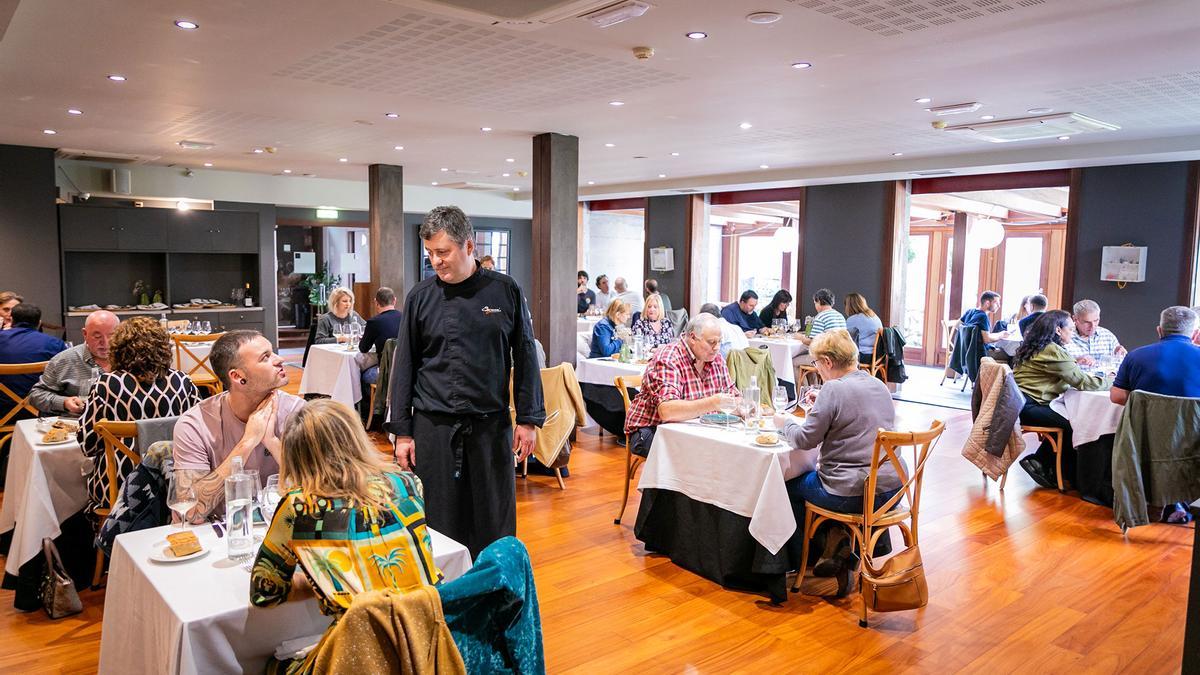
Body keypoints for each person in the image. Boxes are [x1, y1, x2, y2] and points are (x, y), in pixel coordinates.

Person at [386, 206, 545, 558]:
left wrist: (530, 420)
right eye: (430, 253)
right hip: (435, 427)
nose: (435, 261)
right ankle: (446, 598)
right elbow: (405, 367)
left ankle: (496, 591)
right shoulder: (420, 297)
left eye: (442, 252)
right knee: (440, 522)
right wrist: (403, 432)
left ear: (469, 247)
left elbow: (526, 355)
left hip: (491, 425)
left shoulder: (505, 291)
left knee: (495, 521)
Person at [250, 399, 446, 674]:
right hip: (425, 649)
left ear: (297, 456)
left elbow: (264, 592)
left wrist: (317, 579)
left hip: (356, 658)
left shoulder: (299, 508)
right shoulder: (408, 483)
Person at [774, 329, 899, 596]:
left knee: (787, 484)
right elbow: (858, 415)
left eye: (817, 363)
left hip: (851, 493)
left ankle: (802, 562)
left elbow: (805, 440)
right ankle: (836, 545)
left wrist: (784, 424)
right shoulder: (878, 383)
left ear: (828, 362)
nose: (817, 369)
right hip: (891, 490)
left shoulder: (833, 389)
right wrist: (823, 403)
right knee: (820, 481)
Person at [172, 330, 304, 521]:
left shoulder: (298, 412)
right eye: (265, 357)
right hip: (218, 535)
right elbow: (190, 513)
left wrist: (272, 442)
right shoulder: (195, 424)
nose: (279, 360)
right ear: (237, 376)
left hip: (283, 529)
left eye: (273, 352)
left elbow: (321, 494)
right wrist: (248, 442)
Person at [81, 317, 199, 521]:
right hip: (176, 484)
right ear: (163, 347)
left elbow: (88, 445)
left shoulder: (106, 385)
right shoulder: (183, 381)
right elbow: (200, 433)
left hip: (119, 487)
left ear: (118, 348)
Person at [1011, 310, 1106, 489]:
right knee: (1077, 423)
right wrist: (1114, 379)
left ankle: (1044, 464)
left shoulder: (1039, 345)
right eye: (1070, 328)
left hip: (1018, 404)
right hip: (1029, 407)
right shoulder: (1052, 350)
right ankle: (1057, 470)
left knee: (1071, 419)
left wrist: (1075, 362)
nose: (1073, 332)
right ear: (1058, 330)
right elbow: (1084, 382)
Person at [623, 313, 740, 454]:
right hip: (652, 429)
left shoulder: (716, 359)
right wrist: (713, 403)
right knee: (704, 453)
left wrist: (746, 408)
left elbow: (733, 396)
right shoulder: (669, 358)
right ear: (692, 338)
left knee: (732, 450)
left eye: (720, 342)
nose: (716, 347)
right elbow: (667, 411)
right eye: (711, 342)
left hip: (695, 429)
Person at [30, 310, 119, 415]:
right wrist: (64, 403)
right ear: (85, 334)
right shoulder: (64, 360)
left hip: (122, 424)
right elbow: (36, 395)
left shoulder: (131, 358)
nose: (105, 342)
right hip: (77, 424)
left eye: (111, 335)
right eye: (97, 336)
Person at [1111, 306, 1200, 404]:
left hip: (1145, 419)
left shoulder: (1135, 356)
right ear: (1196, 334)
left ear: (1159, 331)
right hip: (1191, 419)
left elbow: (1117, 397)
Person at [0, 304, 66, 422]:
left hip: (2, 410)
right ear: (39, 322)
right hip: (42, 412)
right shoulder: (55, 344)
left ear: (12, 320)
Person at [358, 286, 402, 385]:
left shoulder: (374, 322)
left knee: (361, 375)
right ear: (394, 300)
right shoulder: (405, 318)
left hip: (386, 372)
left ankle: (372, 400)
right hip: (405, 370)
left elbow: (363, 349)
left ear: (376, 302)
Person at [1064, 299, 1125, 365]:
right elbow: (1057, 369)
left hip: (1105, 375)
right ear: (1075, 319)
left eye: (1096, 320)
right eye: (1087, 322)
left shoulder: (1107, 335)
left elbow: (1118, 366)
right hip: (1077, 375)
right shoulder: (1065, 337)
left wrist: (1119, 355)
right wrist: (1075, 361)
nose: (1093, 326)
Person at [843, 292, 883, 363]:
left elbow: (846, 338)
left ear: (849, 306)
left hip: (863, 355)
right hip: (878, 355)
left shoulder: (853, 319)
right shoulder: (874, 316)